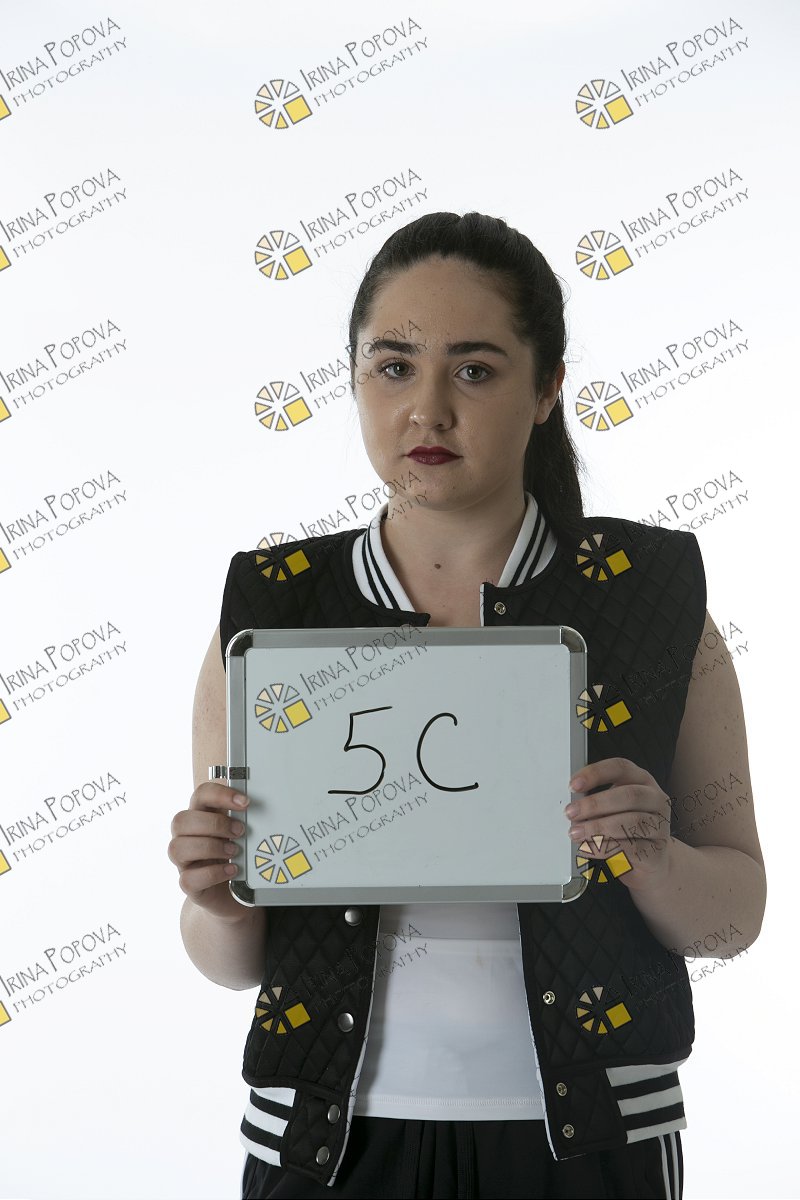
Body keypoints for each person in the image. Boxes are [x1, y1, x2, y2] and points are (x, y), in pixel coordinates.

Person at [168, 212, 767, 1200]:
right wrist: (217, 898)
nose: (428, 409)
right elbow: (229, 960)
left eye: (476, 370)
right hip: (326, 1144)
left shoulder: (650, 601)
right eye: (393, 367)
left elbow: (732, 918)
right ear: (353, 379)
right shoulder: (272, 613)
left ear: (547, 388)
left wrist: (654, 858)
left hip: (591, 1143)